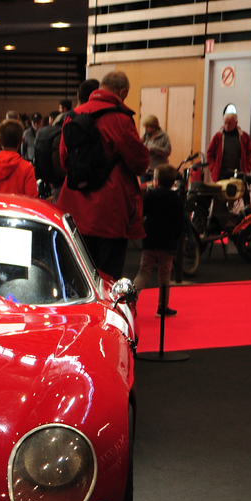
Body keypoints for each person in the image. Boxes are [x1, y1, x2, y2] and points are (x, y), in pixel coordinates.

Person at [57, 70, 150, 278]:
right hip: (110, 210)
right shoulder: (120, 118)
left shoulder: (72, 116)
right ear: (123, 92)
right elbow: (140, 162)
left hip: (75, 206)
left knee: (78, 276)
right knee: (108, 277)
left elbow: (64, 161)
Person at [134, 164, 183, 317]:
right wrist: (175, 239)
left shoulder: (150, 196)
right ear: (173, 182)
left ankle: (129, 303)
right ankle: (162, 308)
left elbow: (141, 214)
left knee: (143, 273)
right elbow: (180, 223)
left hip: (150, 241)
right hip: (167, 244)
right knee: (165, 277)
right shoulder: (176, 199)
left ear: (156, 180)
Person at [206, 110, 251, 181]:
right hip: (221, 174)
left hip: (239, 173)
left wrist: (248, 167)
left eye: (229, 123)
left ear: (236, 123)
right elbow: (209, 154)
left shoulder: (244, 137)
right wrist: (212, 168)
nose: (227, 125)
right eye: (225, 123)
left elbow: (250, 152)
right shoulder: (218, 137)